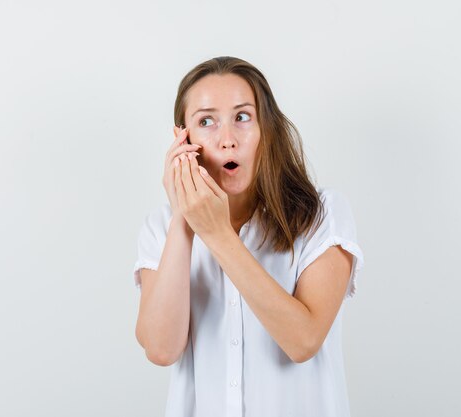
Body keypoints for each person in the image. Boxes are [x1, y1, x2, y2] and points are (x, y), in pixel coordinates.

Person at [132, 56, 365, 417]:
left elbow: (303, 341)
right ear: (184, 139)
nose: (227, 140)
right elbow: (161, 350)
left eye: (242, 117)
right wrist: (184, 216)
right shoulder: (161, 228)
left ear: (265, 131)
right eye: (206, 121)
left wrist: (218, 233)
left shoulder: (322, 215)